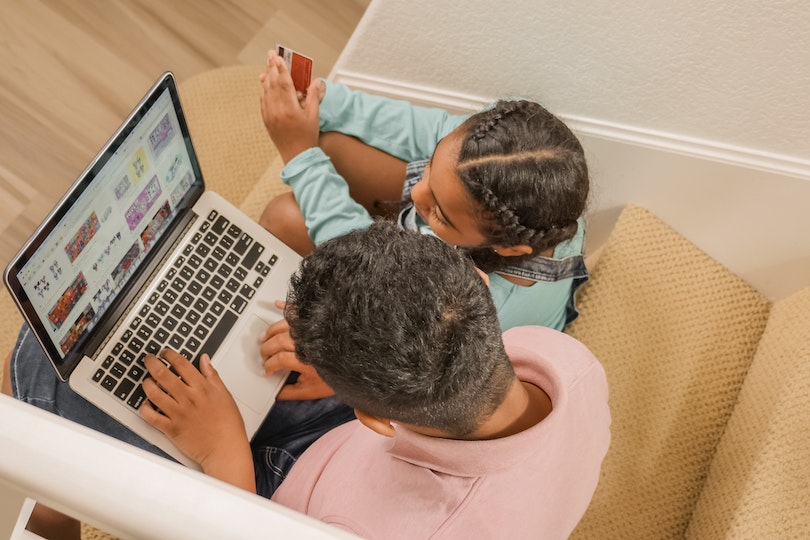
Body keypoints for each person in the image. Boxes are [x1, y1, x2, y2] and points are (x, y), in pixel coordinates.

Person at [148, 221, 611, 538]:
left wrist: (223, 452)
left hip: (278, 504)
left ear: (373, 418)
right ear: (478, 280)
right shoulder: (568, 361)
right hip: (354, 454)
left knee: (112, 414)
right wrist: (343, 375)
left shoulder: (377, 528)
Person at [257, 50, 591, 402]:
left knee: (284, 213)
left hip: (424, 359)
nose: (416, 192)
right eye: (430, 167)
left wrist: (300, 156)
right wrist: (319, 98)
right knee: (328, 145)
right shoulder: (535, 177)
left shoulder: (474, 303)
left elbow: (367, 274)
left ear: (508, 248)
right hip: (430, 275)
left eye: (440, 213)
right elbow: (421, 127)